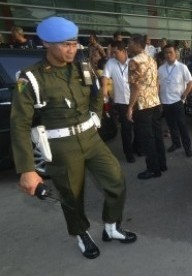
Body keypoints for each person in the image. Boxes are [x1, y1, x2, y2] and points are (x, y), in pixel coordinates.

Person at [10, 16, 136, 260]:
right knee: (72, 195)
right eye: (65, 44)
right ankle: (81, 234)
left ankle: (111, 226)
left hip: (91, 139)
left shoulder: (83, 68)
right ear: (47, 44)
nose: (72, 49)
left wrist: (96, 118)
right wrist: (27, 169)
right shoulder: (31, 78)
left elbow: (97, 94)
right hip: (62, 146)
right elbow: (20, 124)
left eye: (74, 43)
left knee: (116, 180)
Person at [127, 34, 167, 179]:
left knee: (147, 138)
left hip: (143, 105)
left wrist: (130, 107)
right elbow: (157, 82)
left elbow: (135, 88)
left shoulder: (134, 62)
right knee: (157, 135)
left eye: (130, 42)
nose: (128, 45)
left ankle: (153, 169)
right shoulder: (152, 59)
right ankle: (162, 164)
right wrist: (155, 97)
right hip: (154, 102)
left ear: (137, 44)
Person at [101, 40, 137, 163]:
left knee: (138, 127)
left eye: (115, 52)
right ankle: (129, 154)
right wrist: (104, 89)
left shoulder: (133, 62)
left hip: (135, 99)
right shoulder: (111, 63)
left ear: (123, 51)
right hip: (122, 102)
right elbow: (105, 77)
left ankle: (138, 147)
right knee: (126, 129)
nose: (113, 54)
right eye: (112, 52)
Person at [158, 44, 192, 157]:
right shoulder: (160, 69)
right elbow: (158, 84)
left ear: (176, 53)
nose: (168, 55)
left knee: (182, 126)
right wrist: (159, 99)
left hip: (177, 102)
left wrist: (184, 94)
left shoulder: (182, 67)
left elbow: (191, 82)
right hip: (165, 102)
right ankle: (176, 143)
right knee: (171, 125)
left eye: (170, 52)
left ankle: (187, 148)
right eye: (166, 53)